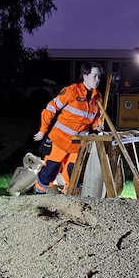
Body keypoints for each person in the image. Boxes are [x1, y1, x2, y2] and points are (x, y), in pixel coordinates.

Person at [32, 62, 104, 194]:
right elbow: (50, 109)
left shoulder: (97, 97)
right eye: (95, 76)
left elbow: (96, 116)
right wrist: (42, 130)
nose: (97, 80)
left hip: (78, 144)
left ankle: (70, 199)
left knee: (74, 172)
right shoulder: (71, 91)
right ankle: (39, 195)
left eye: (99, 77)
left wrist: (97, 124)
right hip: (59, 140)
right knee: (50, 170)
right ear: (85, 76)